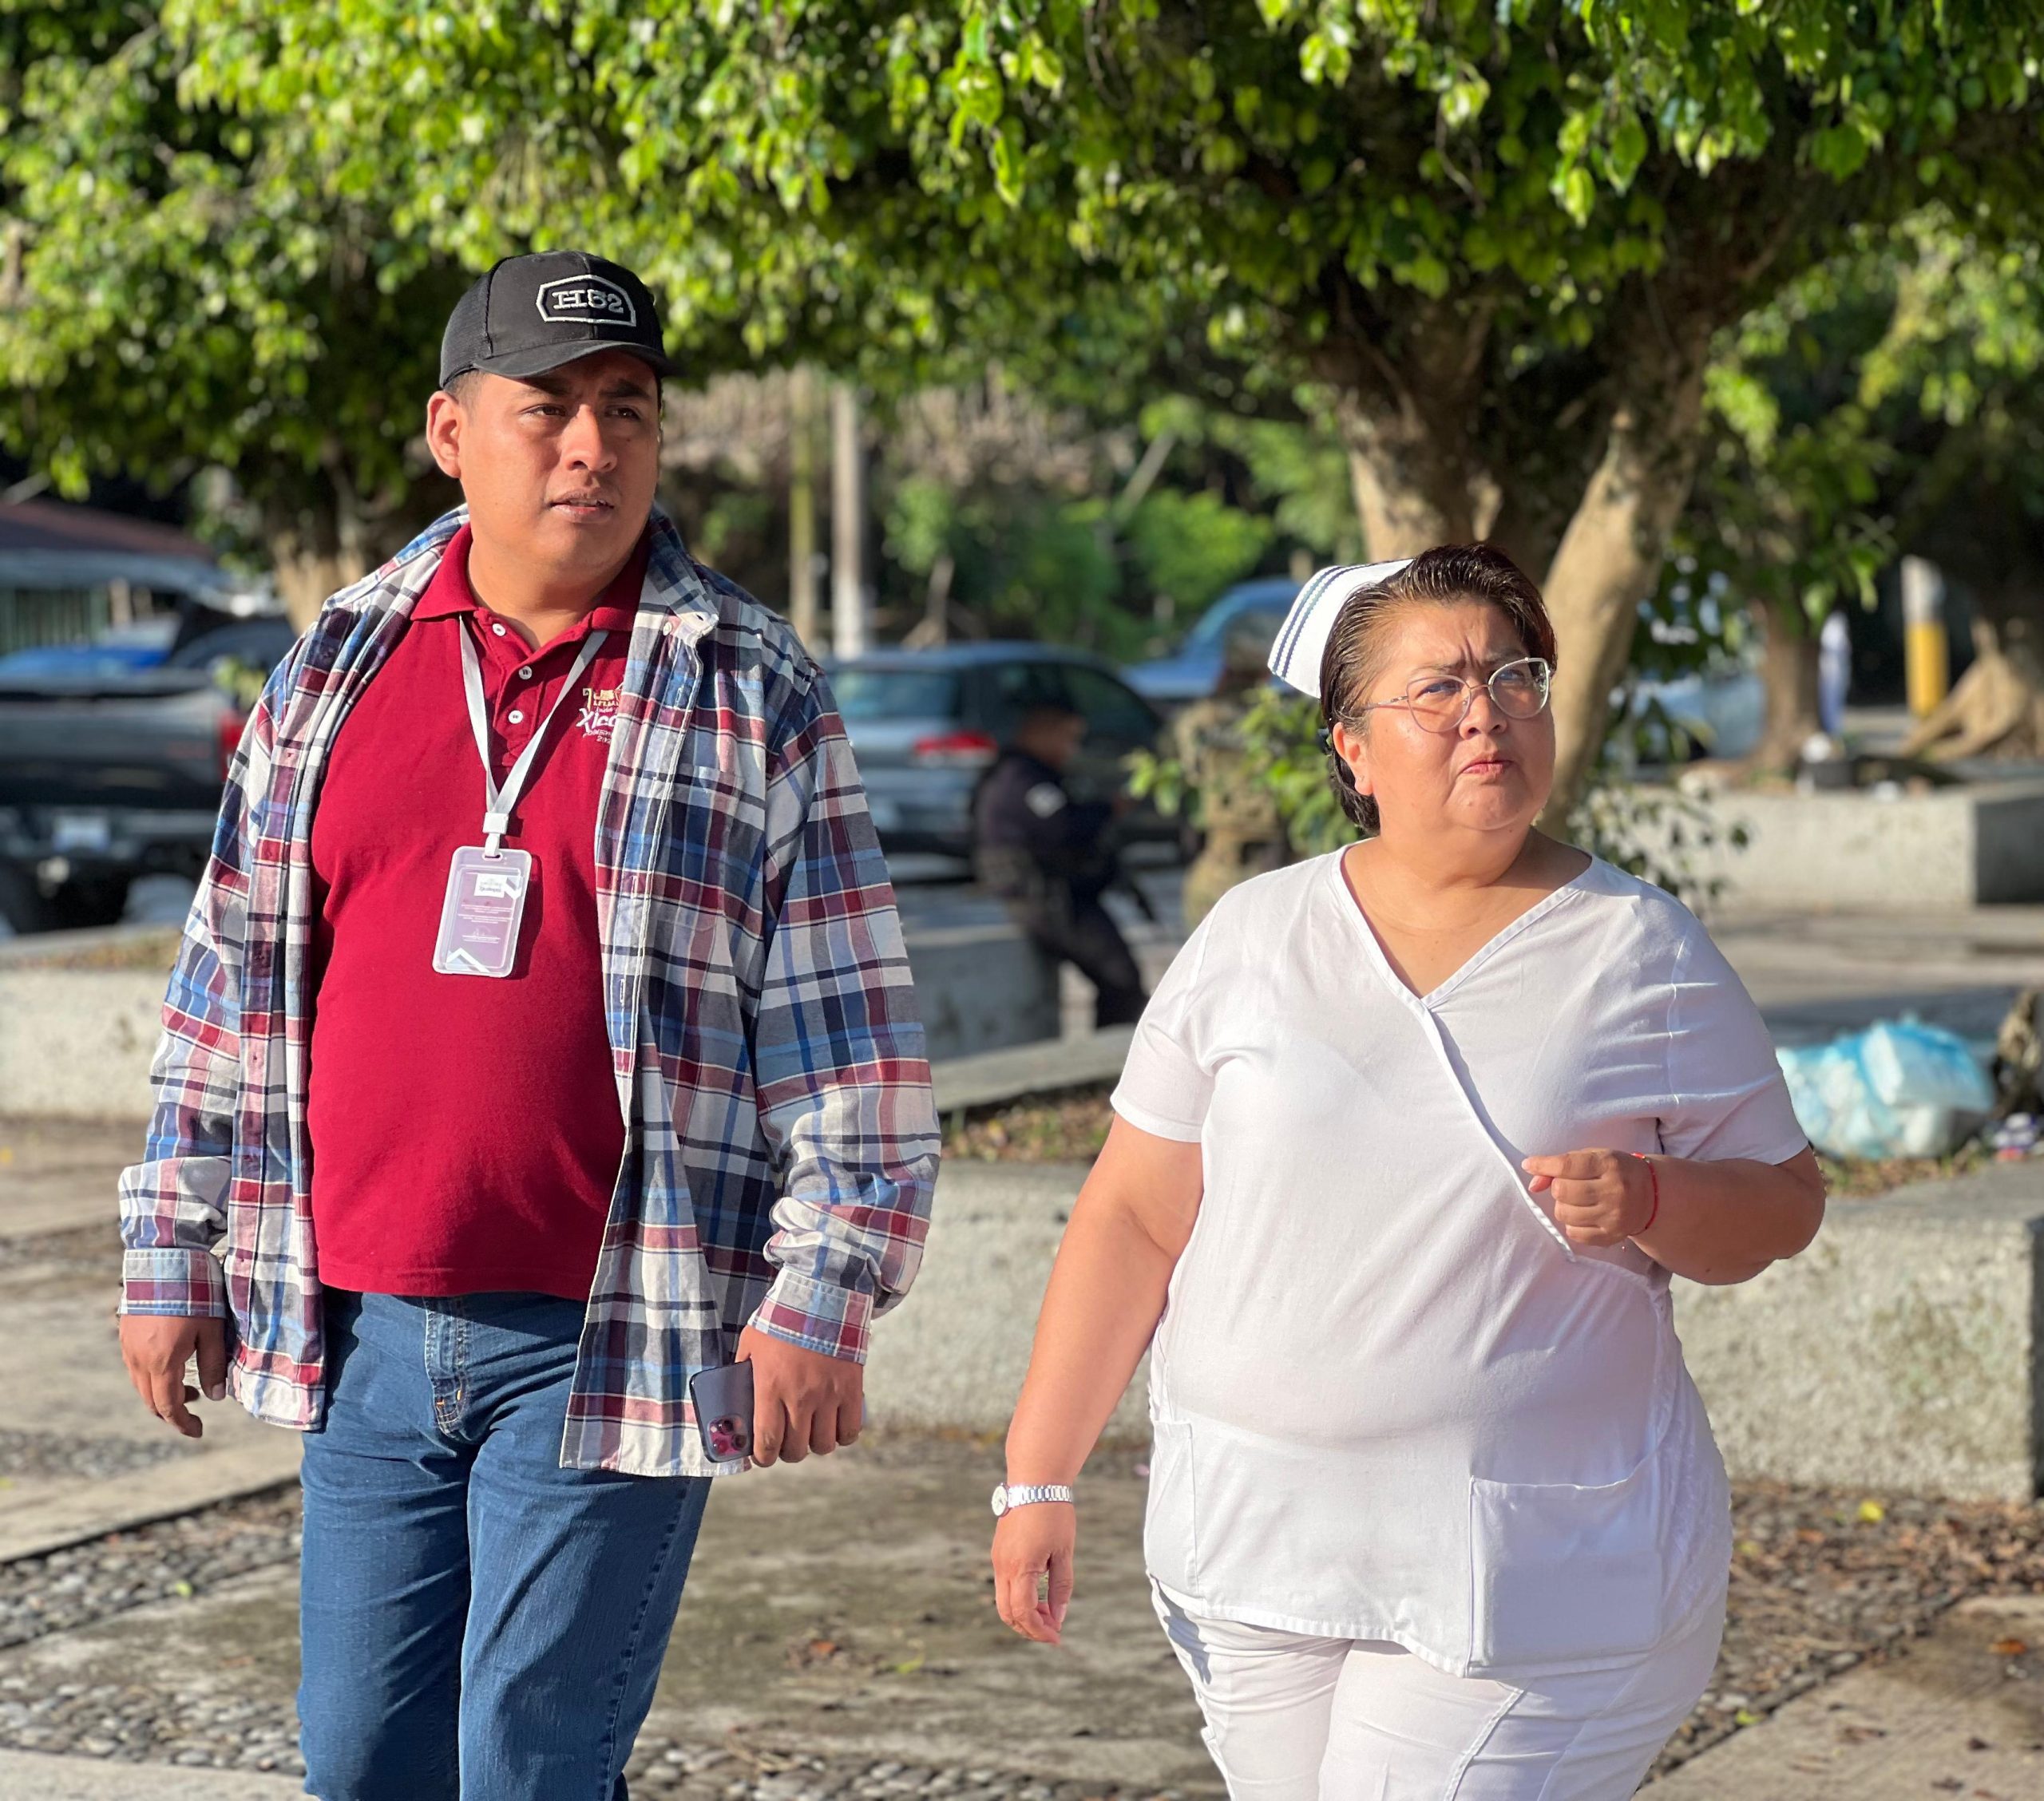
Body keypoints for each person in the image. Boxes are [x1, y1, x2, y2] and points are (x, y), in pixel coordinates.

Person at [115, 250, 940, 1801]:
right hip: (361, 1321)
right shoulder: (337, 660)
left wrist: (826, 1290)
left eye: (627, 409)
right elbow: (225, 981)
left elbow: (845, 1026)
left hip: (610, 1331)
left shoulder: (745, 683)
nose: (591, 446)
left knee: (526, 1764)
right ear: (451, 432)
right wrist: (171, 1250)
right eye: (546, 408)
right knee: (360, 1759)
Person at [989, 544, 1826, 1799]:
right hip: (1253, 1553)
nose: (1486, 711)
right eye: (1437, 688)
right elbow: (1133, 1218)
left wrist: (1655, 1199)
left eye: (1513, 677)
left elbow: (1784, 1205)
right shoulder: (1255, 933)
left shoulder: (1639, 948)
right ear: (1353, 751)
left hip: (1528, 1577)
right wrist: (1036, 1475)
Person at [974, 700, 1147, 1027]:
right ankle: (1112, 1055)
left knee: (1122, 979)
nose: (1072, 749)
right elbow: (1063, 828)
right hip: (1044, 899)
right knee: (1120, 978)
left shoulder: (1029, 773)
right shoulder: (1022, 778)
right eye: (1068, 738)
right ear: (1042, 732)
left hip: (1052, 894)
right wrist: (1108, 810)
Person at [1169, 624, 1289, 928]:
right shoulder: (1278, 725)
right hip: (1267, 866)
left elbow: (1182, 777)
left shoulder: (1197, 721)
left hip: (1221, 864)